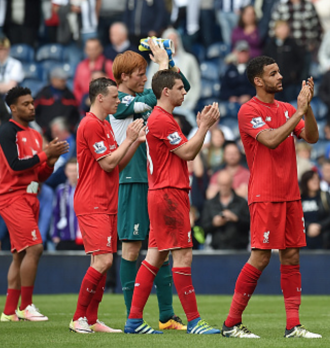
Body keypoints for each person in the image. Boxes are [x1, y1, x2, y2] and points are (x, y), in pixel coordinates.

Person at [221, 55, 320, 338]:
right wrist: (299, 113)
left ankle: (293, 325)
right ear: (258, 80)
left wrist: (307, 109)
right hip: (265, 195)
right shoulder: (247, 111)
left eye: (279, 71)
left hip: (290, 195)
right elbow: (272, 140)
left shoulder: (288, 108)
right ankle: (231, 323)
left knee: (291, 256)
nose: (280, 76)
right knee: (261, 257)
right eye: (273, 72)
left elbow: (311, 138)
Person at [123, 70, 220, 335]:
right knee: (183, 255)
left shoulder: (162, 119)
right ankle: (195, 321)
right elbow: (188, 152)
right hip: (169, 193)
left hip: (161, 192)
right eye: (180, 87)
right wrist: (204, 128)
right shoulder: (162, 120)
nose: (184, 92)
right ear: (166, 91)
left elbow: (183, 151)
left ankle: (133, 320)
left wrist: (200, 130)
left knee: (155, 256)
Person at [110, 42, 193, 331]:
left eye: (146, 72)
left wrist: (168, 61)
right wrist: (162, 65)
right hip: (132, 179)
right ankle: (133, 316)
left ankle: (167, 315)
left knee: (163, 248)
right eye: (139, 73)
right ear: (122, 77)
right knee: (132, 249)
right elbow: (156, 97)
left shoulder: (150, 96)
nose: (144, 77)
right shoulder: (116, 101)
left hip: (157, 180)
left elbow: (181, 87)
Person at [69, 78, 145, 334]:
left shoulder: (104, 125)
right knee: (102, 261)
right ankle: (78, 317)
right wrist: (129, 139)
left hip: (107, 201)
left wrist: (135, 142)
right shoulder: (90, 124)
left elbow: (118, 165)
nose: (118, 101)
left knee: (103, 261)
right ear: (99, 98)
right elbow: (108, 164)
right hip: (93, 201)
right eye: (114, 97)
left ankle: (91, 319)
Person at [0, 86, 69, 322]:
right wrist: (45, 154)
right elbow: (16, 165)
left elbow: (38, 176)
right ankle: (26, 306)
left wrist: (50, 161)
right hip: (12, 197)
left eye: (31, 102)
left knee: (20, 255)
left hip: (31, 197)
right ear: (13, 108)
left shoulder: (36, 135)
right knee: (35, 247)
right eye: (26, 104)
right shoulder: (6, 132)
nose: (31, 107)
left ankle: (9, 311)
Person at [200, 170, 251, 250]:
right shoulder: (210, 204)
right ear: (217, 184)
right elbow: (203, 227)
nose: (224, 187)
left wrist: (236, 219)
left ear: (231, 183)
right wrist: (214, 223)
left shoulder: (242, 202)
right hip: (216, 249)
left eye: (226, 185)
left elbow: (250, 225)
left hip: (239, 249)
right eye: (221, 185)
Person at [34, 67, 80, 140]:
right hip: (46, 136)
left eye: (65, 80)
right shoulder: (42, 95)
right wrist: (43, 129)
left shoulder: (70, 96)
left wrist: (69, 129)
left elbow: (76, 115)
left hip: (65, 136)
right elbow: (34, 113)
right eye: (61, 80)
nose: (64, 82)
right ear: (53, 80)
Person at [264, 21, 305, 103]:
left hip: (290, 82)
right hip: (274, 83)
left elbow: (301, 61)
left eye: (285, 28)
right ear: (275, 30)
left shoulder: (293, 44)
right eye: (281, 28)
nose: (283, 30)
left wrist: (294, 74)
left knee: (290, 106)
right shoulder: (270, 46)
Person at [300, 170, 330, 250]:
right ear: (305, 182)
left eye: (317, 179)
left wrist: (319, 226)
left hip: (323, 237)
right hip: (304, 238)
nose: (316, 181)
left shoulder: (325, 195)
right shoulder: (299, 198)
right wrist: (308, 227)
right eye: (312, 179)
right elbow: (294, 218)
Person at [51, 158, 82, 251]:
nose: (73, 174)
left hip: (83, 237)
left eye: (75, 171)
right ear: (66, 172)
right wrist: (55, 234)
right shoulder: (61, 190)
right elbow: (56, 213)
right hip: (65, 236)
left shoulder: (86, 190)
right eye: (70, 171)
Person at [73, 38, 114, 105]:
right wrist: (82, 101)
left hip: (103, 102)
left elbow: (116, 85)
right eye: (89, 49)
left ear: (100, 48)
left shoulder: (108, 64)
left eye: (95, 49)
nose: (92, 52)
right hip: (85, 103)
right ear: (85, 50)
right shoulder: (81, 66)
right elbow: (77, 88)